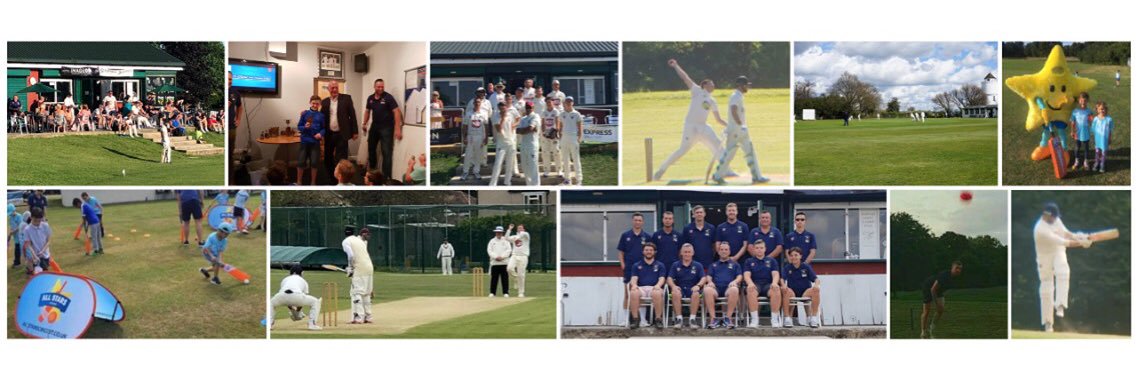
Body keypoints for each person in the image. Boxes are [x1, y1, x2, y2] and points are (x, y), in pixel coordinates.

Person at [652, 59, 727, 181]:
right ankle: (661, 170)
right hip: (691, 127)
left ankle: (726, 171)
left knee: (718, 146)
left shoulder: (712, 101)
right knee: (682, 150)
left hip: (703, 127)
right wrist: (676, 65)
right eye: (711, 84)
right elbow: (685, 78)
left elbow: (718, 119)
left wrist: (729, 125)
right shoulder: (697, 91)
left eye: (713, 84)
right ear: (704, 85)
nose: (713, 86)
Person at [1033, 202, 1092, 332]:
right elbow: (1063, 241)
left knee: (1063, 272)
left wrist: (1078, 236)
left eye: (1056, 217)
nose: (1055, 219)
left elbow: (1065, 233)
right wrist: (1081, 243)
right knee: (1046, 287)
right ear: (1046, 215)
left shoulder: (1056, 220)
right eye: (1053, 217)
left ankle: (1060, 304)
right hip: (1044, 257)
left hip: (1058, 250)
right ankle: (1048, 323)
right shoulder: (1040, 229)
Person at [711, 76, 769, 184]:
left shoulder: (739, 96)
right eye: (746, 85)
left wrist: (742, 126)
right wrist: (739, 124)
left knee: (750, 152)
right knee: (730, 154)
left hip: (742, 130)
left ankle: (757, 176)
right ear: (741, 85)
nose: (748, 87)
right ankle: (717, 176)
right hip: (735, 130)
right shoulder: (735, 96)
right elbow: (733, 110)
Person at [362, 79, 403, 177]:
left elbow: (396, 111)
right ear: (374, 87)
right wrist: (364, 123)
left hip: (387, 128)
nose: (380, 88)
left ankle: (386, 177)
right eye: (378, 87)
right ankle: (372, 173)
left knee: (386, 152)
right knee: (371, 149)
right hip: (375, 126)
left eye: (382, 87)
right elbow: (367, 111)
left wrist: (397, 129)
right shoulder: (370, 98)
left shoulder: (388, 97)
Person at [321, 81, 359, 184]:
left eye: (336, 87)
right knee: (327, 158)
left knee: (341, 159)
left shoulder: (346, 98)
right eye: (332, 88)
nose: (334, 90)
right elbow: (321, 118)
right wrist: (307, 113)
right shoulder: (324, 102)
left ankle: (342, 180)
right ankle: (332, 178)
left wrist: (355, 131)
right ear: (329, 89)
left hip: (342, 134)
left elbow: (352, 115)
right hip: (329, 134)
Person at [270, 265, 323, 331]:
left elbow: (286, 297)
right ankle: (312, 324)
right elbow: (302, 298)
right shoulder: (303, 281)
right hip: (297, 296)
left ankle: (269, 324)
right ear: (302, 273)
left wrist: (294, 312)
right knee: (315, 301)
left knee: (270, 303)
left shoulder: (285, 279)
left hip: (281, 296)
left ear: (290, 273)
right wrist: (297, 312)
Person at [743, 239, 783, 328]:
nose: (759, 250)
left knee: (776, 290)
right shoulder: (749, 261)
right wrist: (750, 283)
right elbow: (746, 275)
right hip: (755, 284)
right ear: (754, 249)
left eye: (761, 248)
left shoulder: (772, 261)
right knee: (750, 290)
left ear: (765, 249)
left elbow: (775, 274)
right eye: (757, 248)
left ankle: (774, 320)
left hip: (768, 285)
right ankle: (754, 320)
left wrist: (774, 283)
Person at [627, 242, 667, 329]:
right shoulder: (636, 265)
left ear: (654, 252)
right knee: (633, 292)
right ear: (643, 251)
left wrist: (658, 285)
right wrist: (634, 285)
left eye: (651, 250)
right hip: (641, 288)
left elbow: (662, 278)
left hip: (654, 288)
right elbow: (634, 278)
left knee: (657, 293)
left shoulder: (660, 265)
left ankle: (658, 319)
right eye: (646, 250)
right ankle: (635, 320)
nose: (649, 252)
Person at [704, 242, 742, 329]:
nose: (724, 251)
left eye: (726, 249)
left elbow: (740, 276)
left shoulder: (735, 265)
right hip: (716, 288)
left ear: (729, 251)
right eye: (721, 249)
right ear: (718, 251)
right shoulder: (713, 265)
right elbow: (708, 276)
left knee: (734, 289)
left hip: (729, 288)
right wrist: (710, 282)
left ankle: (728, 318)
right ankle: (713, 319)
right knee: (707, 290)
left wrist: (735, 281)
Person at [780, 247, 821, 328]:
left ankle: (813, 318)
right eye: (791, 255)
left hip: (805, 292)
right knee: (785, 291)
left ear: (800, 256)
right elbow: (782, 279)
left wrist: (816, 285)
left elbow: (816, 279)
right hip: (792, 292)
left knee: (816, 290)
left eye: (796, 255)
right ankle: (787, 318)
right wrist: (783, 285)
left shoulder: (806, 266)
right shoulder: (787, 267)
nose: (794, 257)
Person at [920, 261, 962, 338]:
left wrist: (940, 301)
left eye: (960, 269)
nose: (958, 270)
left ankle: (931, 329)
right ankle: (923, 332)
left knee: (941, 310)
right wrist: (937, 304)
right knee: (926, 311)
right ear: (952, 268)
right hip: (928, 288)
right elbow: (933, 289)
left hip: (938, 290)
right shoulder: (944, 275)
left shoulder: (955, 277)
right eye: (956, 268)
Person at [667, 243, 705, 328]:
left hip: (693, 288)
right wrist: (673, 286)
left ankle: (692, 319)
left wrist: (698, 286)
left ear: (693, 253)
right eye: (685, 252)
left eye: (689, 252)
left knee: (696, 293)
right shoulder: (675, 265)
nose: (687, 254)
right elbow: (669, 278)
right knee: (675, 292)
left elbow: (703, 278)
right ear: (681, 253)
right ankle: (679, 319)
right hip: (680, 289)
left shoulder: (698, 265)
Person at [342, 226, 375, 323]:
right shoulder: (360, 241)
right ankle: (368, 317)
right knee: (366, 293)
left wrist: (350, 267)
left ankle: (359, 317)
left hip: (360, 268)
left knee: (356, 292)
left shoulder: (346, 241)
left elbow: (351, 255)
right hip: (369, 267)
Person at [461, 88, 491, 180]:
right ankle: (465, 172)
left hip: (480, 136)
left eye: (478, 102)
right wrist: (464, 137)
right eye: (476, 102)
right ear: (473, 103)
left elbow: (486, 126)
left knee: (478, 155)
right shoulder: (468, 114)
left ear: (480, 104)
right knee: (468, 154)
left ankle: (476, 171)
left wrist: (486, 138)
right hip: (470, 136)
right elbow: (465, 126)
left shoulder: (484, 114)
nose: (477, 104)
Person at [297, 96, 326, 185]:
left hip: (315, 142)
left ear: (319, 104)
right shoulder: (304, 113)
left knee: (314, 163)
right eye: (313, 103)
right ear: (310, 102)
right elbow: (299, 126)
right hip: (304, 141)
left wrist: (320, 134)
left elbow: (324, 128)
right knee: (301, 162)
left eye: (317, 104)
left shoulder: (321, 115)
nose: (315, 105)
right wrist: (304, 127)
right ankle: (299, 181)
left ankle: (313, 182)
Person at [489, 101, 518, 186]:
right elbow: (498, 129)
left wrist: (514, 126)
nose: (503, 110)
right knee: (498, 164)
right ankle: (493, 184)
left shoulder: (510, 115)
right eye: (501, 108)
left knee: (510, 164)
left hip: (511, 142)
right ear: (499, 108)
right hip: (501, 143)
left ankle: (507, 182)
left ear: (506, 107)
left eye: (504, 108)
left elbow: (518, 120)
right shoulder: (496, 116)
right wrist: (502, 118)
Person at [617, 213, 649, 287]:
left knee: (641, 289)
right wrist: (623, 265)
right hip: (629, 267)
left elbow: (650, 252)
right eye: (635, 220)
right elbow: (621, 252)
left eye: (639, 220)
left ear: (643, 222)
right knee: (628, 290)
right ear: (632, 221)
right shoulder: (625, 235)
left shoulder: (647, 236)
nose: (637, 222)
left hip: (643, 267)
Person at [558, 97, 584, 185]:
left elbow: (580, 126)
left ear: (572, 103)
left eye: (570, 101)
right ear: (564, 103)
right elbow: (560, 126)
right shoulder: (561, 114)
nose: (569, 103)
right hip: (564, 138)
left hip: (573, 137)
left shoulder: (577, 114)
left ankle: (579, 180)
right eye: (567, 101)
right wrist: (560, 136)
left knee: (576, 159)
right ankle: (567, 179)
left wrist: (579, 137)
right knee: (565, 159)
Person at [516, 101, 541, 186]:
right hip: (524, 144)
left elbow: (530, 129)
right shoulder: (523, 119)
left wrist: (524, 130)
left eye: (530, 107)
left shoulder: (536, 116)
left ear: (533, 108)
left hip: (532, 144)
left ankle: (536, 186)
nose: (528, 109)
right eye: (527, 107)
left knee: (533, 166)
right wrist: (526, 130)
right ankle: (529, 184)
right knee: (525, 166)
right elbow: (517, 130)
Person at [23, 207, 53, 275]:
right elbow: (29, 244)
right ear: (31, 217)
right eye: (35, 221)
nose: (37, 223)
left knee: (45, 273)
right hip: (35, 256)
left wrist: (42, 251)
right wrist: (34, 255)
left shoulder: (45, 226)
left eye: (39, 221)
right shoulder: (27, 229)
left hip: (45, 254)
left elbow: (48, 241)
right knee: (37, 274)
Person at [539, 96, 562, 178]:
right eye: (547, 102)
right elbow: (542, 124)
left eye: (550, 102)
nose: (549, 103)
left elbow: (558, 122)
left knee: (556, 152)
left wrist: (556, 132)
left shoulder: (556, 111)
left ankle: (559, 170)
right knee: (545, 152)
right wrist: (544, 133)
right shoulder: (543, 112)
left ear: (553, 102)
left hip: (554, 134)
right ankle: (546, 170)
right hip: (546, 135)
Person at [486, 226, 512, 297]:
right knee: (494, 278)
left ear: (502, 233)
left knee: (505, 278)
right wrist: (496, 257)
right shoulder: (492, 241)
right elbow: (489, 251)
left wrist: (502, 257)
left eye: (500, 232)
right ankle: (492, 293)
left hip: (504, 262)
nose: (498, 233)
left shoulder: (506, 241)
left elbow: (509, 250)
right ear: (495, 232)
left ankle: (505, 292)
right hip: (494, 263)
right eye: (497, 232)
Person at [1069, 92, 1093, 170]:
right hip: (1077, 132)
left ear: (1087, 101)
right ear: (1079, 101)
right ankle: (1077, 161)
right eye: (1081, 100)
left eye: (1085, 101)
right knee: (1077, 147)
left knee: (1086, 148)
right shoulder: (1075, 111)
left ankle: (1086, 161)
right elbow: (1072, 122)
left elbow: (1092, 121)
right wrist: (1072, 131)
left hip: (1086, 132)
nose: (1083, 102)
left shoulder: (1089, 111)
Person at [505, 224, 530, 297]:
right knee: (509, 268)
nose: (520, 229)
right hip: (514, 255)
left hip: (523, 256)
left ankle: (521, 292)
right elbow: (506, 238)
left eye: (521, 228)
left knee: (521, 275)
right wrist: (509, 229)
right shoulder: (514, 237)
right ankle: (515, 277)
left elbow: (522, 235)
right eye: (518, 228)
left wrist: (518, 234)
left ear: (524, 229)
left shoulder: (526, 235)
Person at [1091, 101, 1114, 173]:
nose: (1102, 110)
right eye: (1100, 109)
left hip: (1104, 140)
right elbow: (1093, 129)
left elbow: (1110, 130)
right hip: (1098, 140)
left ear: (1106, 109)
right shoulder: (1095, 119)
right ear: (1097, 110)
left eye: (1104, 109)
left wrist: (1109, 138)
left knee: (1104, 152)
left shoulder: (1109, 119)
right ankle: (1097, 162)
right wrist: (1094, 138)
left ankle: (1102, 164)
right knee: (1097, 152)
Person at [228, 71, 243, 159]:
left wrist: (238, 119)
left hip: (232, 127)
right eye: (227, 79)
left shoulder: (235, 92)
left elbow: (240, 107)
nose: (229, 81)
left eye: (230, 79)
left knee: (230, 152)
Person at [8, 204, 24, 269]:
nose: (10, 214)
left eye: (11, 213)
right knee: (17, 249)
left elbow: (20, 227)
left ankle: (17, 263)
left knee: (18, 250)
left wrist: (13, 231)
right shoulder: (11, 218)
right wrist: (10, 233)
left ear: (14, 210)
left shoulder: (19, 216)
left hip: (20, 236)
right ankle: (17, 262)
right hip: (15, 237)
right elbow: (11, 226)